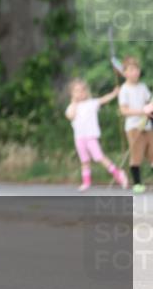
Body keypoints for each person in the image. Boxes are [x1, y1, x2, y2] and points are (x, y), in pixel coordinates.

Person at [64, 79, 127, 191]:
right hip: (79, 138)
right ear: (72, 94)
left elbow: (103, 100)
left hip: (91, 136)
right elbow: (71, 116)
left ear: (86, 92)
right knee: (84, 160)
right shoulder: (71, 107)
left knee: (99, 157)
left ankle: (119, 174)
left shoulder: (91, 103)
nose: (80, 93)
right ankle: (86, 182)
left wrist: (114, 93)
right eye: (77, 91)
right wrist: (74, 102)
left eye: (82, 90)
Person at [118, 57, 153, 193]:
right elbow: (124, 110)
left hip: (147, 126)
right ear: (125, 72)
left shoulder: (143, 87)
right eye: (131, 70)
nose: (135, 72)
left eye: (136, 69)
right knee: (136, 154)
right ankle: (137, 183)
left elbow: (148, 103)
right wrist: (142, 111)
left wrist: (149, 109)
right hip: (133, 127)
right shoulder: (124, 90)